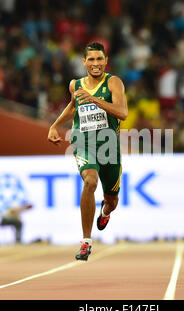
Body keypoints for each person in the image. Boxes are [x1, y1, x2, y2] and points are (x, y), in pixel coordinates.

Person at [48, 42, 128, 260]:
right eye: (91, 60)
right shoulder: (76, 84)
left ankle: (105, 212)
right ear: (84, 62)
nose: (95, 64)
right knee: (90, 182)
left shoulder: (113, 83)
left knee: (112, 200)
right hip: (83, 141)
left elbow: (122, 113)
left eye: (99, 59)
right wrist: (55, 125)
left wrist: (95, 100)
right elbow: (74, 106)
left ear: (105, 61)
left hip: (109, 145)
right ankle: (86, 241)